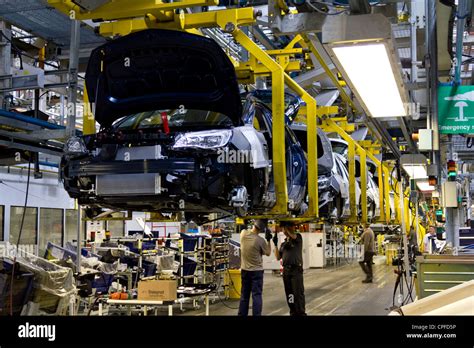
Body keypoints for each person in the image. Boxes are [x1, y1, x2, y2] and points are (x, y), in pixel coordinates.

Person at [238, 219, 272, 316]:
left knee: (244, 296)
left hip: (245, 271)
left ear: (254, 224)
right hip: (256, 272)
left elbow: (244, 226)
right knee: (256, 296)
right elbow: (268, 253)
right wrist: (269, 240)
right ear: (262, 229)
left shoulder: (243, 234)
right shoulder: (260, 240)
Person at [273, 221, 306, 316]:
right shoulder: (284, 244)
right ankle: (293, 312)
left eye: (285, 228)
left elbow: (293, 236)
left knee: (298, 293)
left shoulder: (298, 237)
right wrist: (275, 244)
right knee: (289, 293)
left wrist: (287, 228)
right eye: (283, 229)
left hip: (296, 270)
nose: (284, 230)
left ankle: (300, 312)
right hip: (286, 271)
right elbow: (278, 257)